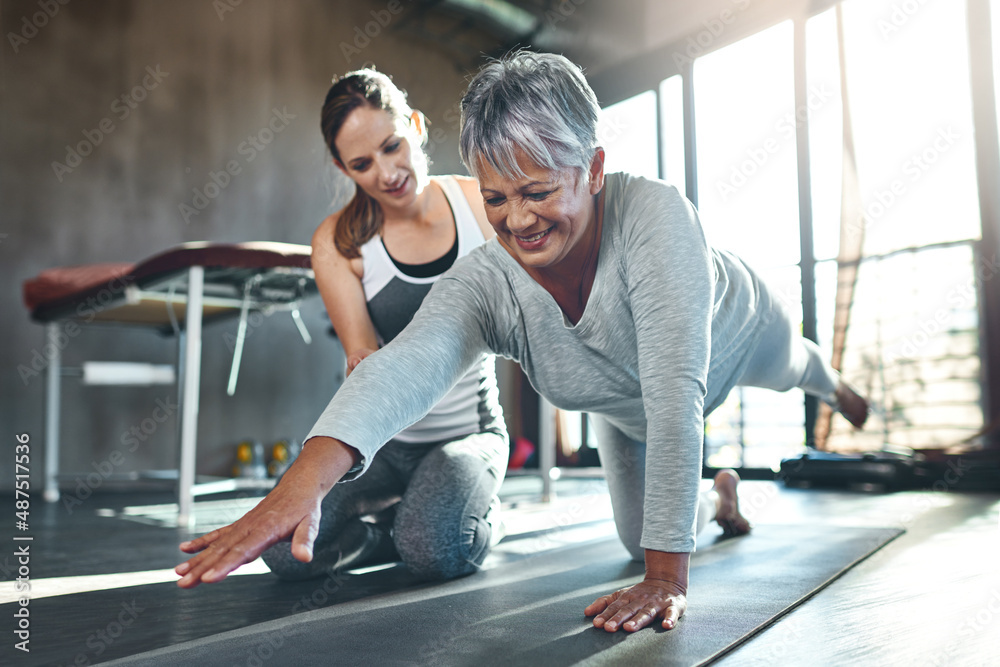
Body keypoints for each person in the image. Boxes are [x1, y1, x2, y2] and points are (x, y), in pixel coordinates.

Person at [176, 52, 869, 634]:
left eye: (537, 191)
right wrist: (295, 488)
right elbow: (406, 364)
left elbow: (675, 395)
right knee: (641, 535)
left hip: (732, 340)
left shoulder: (656, 219)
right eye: (498, 198)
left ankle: (834, 383)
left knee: (797, 366)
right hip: (625, 408)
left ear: (593, 169)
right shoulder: (489, 280)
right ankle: (721, 500)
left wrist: (667, 577)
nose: (519, 221)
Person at [258, 68, 508, 582]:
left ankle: (466, 517)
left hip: (466, 434)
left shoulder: (478, 206)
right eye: (362, 164)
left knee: (435, 551)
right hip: (384, 443)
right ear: (341, 167)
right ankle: (388, 534)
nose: (386, 173)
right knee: (282, 547)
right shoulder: (338, 242)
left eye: (393, 146)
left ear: (415, 125)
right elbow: (365, 359)